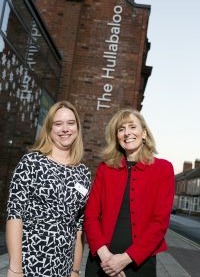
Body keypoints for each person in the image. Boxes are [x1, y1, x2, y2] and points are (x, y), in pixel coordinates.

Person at [84, 108, 175, 277]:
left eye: (132, 127)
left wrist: (124, 259)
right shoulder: (105, 169)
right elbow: (90, 215)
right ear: (117, 137)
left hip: (140, 264)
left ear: (144, 133)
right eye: (121, 129)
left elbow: (160, 222)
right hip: (101, 262)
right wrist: (106, 257)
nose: (127, 133)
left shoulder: (164, 169)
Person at [6, 101, 91, 277]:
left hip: (64, 268)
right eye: (58, 124)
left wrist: (75, 270)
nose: (65, 129)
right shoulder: (32, 162)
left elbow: (79, 227)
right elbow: (15, 215)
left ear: (77, 127)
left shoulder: (83, 173)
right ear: (50, 129)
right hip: (30, 264)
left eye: (70, 123)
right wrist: (15, 268)